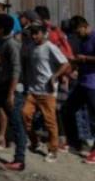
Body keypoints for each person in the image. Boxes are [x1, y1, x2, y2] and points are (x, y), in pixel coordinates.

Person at [22, 23, 70, 162]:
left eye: (36, 33)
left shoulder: (50, 47)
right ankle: (35, 142)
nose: (34, 36)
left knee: (50, 122)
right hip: (33, 89)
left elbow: (65, 63)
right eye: (32, 33)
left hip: (47, 91)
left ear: (44, 33)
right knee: (25, 115)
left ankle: (53, 150)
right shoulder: (31, 47)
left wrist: (55, 77)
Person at [0, 14, 27, 171]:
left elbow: (16, 71)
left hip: (13, 89)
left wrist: (11, 94)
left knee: (17, 124)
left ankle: (19, 160)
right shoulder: (5, 43)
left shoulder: (11, 44)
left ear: (1, 29)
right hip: (4, 87)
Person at [63, 16, 95, 164]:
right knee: (67, 109)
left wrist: (85, 59)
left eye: (77, 31)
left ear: (83, 26)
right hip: (83, 83)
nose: (77, 35)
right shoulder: (83, 41)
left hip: (93, 84)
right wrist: (74, 64)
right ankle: (74, 142)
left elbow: (89, 58)